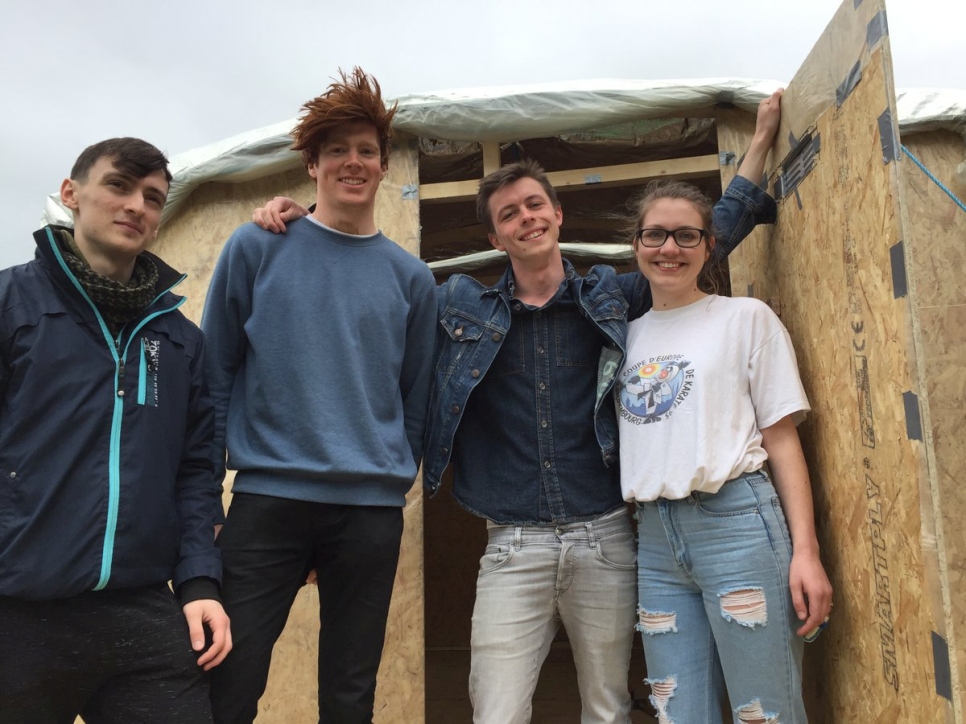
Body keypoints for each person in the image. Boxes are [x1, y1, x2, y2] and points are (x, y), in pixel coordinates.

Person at [251, 89, 783, 723]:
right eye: (509, 213)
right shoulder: (457, 305)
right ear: (494, 235)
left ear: (558, 215)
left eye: (535, 204)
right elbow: (368, 276)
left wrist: (754, 150)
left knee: (608, 708)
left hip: (605, 534)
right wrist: (303, 217)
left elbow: (699, 240)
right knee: (496, 711)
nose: (526, 217)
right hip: (512, 543)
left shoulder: (613, 297)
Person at [202, 68, 438, 724]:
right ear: (312, 164)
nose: (352, 162)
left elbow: (415, 400)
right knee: (229, 680)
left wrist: (388, 481)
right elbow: (214, 375)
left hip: (367, 515)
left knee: (348, 694)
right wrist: (205, 503)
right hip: (265, 502)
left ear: (384, 165)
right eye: (337, 150)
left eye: (365, 150)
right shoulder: (257, 246)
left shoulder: (412, 279)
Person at [0, 137, 230, 723]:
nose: (136, 206)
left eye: (153, 197)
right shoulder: (10, 304)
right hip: (18, 609)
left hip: (141, 610)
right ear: (72, 195)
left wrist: (200, 582)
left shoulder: (179, 341)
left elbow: (196, 472)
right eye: (119, 186)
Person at [617, 180, 833, 723]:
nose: (670, 248)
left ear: (710, 246)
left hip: (738, 527)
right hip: (656, 540)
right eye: (655, 235)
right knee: (677, 712)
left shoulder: (745, 319)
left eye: (686, 236)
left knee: (765, 712)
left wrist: (805, 551)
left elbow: (783, 440)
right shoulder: (623, 336)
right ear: (636, 244)